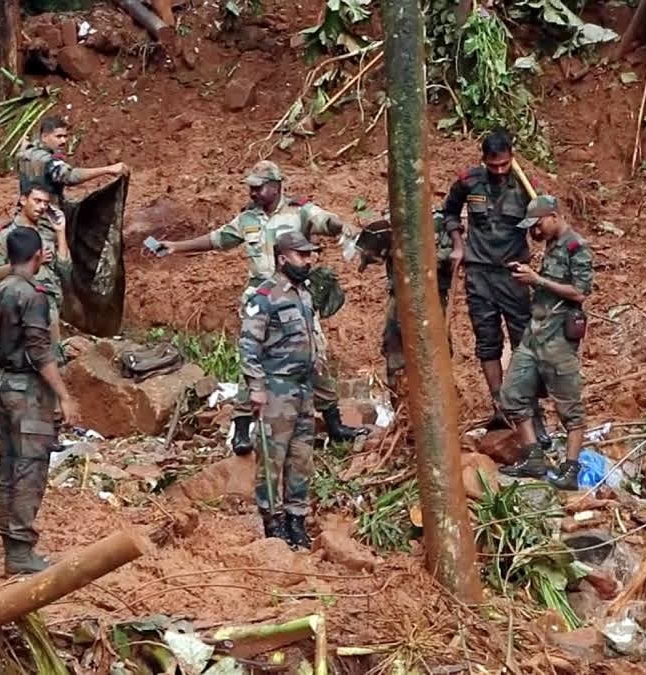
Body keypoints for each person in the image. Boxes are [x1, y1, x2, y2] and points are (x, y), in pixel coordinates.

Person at [159, 160, 367, 453]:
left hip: (296, 297)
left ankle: (334, 423)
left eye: (259, 187)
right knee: (254, 360)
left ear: (276, 186)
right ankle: (242, 430)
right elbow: (217, 240)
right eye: (251, 188)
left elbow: (326, 221)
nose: (253, 192)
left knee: (313, 355)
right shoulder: (247, 219)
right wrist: (176, 246)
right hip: (262, 298)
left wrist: (343, 226)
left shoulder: (299, 211)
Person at [442, 128, 550, 444]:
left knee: (524, 344)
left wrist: (539, 232)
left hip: (513, 273)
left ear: (511, 158)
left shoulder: (526, 186)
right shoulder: (468, 180)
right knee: (487, 342)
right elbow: (449, 212)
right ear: (484, 160)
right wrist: (458, 244)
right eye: (494, 166)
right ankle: (500, 409)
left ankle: (531, 414)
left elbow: (542, 226)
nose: (499, 171)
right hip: (478, 273)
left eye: (504, 164)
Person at [0, 226, 80, 575]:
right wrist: (64, 396)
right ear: (38, 255)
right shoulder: (34, 295)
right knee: (29, 470)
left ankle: (13, 546)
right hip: (27, 392)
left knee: (9, 468)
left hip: (2, 386)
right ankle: (21, 552)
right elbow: (41, 353)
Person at [497, 196, 594, 489]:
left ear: (553, 216)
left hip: (558, 340)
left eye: (538, 224)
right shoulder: (552, 244)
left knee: (570, 408)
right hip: (534, 334)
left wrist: (537, 281)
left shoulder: (577, 246)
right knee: (512, 393)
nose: (535, 232)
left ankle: (570, 469)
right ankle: (533, 458)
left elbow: (579, 293)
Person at [239, 231, 322, 549]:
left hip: (303, 390)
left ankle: (296, 521)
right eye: (303, 255)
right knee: (272, 459)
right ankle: (273, 525)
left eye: (311, 254)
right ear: (283, 258)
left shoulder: (304, 294)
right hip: (275, 390)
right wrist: (256, 389)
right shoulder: (265, 295)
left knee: (301, 458)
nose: (309, 260)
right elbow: (248, 345)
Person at [0, 182, 72, 357]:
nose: (42, 207)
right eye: (37, 201)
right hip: (21, 307)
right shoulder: (5, 234)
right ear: (24, 200)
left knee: (52, 358)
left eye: (46, 203)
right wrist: (24, 262)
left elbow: (65, 270)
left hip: (50, 306)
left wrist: (61, 232)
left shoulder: (48, 233)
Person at [378, 208, 456, 388]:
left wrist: (425, 262)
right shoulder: (391, 219)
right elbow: (371, 253)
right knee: (395, 349)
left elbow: (451, 257)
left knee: (436, 351)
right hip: (400, 297)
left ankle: (437, 400)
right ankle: (401, 402)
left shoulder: (441, 221)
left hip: (432, 297)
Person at [17, 116, 129, 224]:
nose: (63, 141)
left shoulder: (27, 154)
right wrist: (108, 169)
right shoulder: (48, 160)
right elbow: (69, 177)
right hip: (44, 221)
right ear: (45, 137)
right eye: (58, 136)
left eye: (65, 136)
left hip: (24, 216)